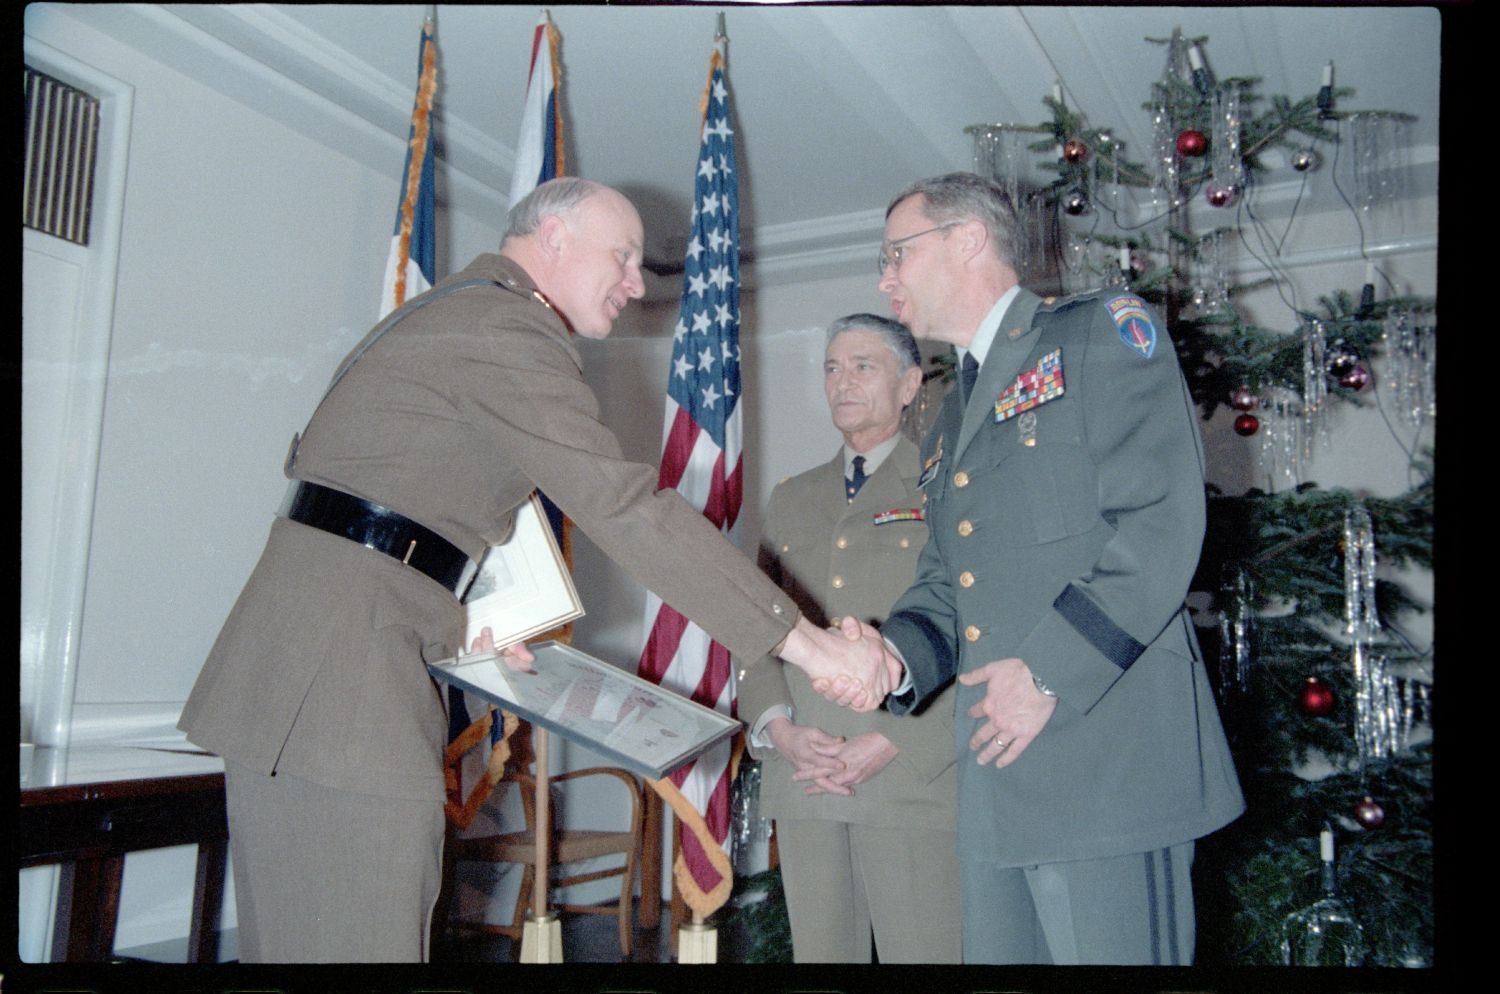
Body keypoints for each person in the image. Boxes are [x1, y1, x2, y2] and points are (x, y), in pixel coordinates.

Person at [177, 177, 890, 962]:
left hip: (324, 671)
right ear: (552, 237)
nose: (637, 282)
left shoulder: (463, 315)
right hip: (335, 689)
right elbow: (625, 506)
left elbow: (403, 505)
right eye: (621, 256)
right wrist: (809, 646)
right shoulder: (500, 325)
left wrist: (466, 620)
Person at [816, 172, 1244, 964]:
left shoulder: (1098, 337)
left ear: (967, 240)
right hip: (998, 791)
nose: (884, 279)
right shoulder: (949, 416)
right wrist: (892, 656)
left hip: (1106, 765)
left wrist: (1046, 670)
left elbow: (1159, 523)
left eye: (895, 255)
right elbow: (949, 579)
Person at [739, 314, 961, 963]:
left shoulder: (944, 484)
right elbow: (753, 626)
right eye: (832, 367)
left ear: (910, 384)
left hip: (910, 777)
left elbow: (973, 628)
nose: (843, 381)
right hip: (807, 772)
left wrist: (899, 737)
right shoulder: (791, 498)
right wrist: (778, 730)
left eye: (863, 365)